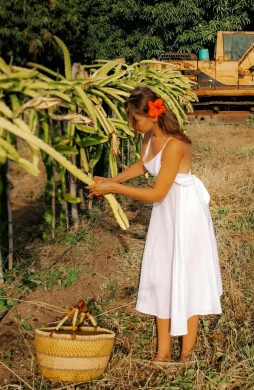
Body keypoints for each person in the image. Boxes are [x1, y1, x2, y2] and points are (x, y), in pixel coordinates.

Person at [85, 86, 223, 364]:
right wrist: (114, 180)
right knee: (161, 275)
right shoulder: (148, 137)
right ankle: (163, 351)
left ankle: (187, 353)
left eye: (134, 118)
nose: (131, 124)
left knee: (187, 277)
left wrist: (115, 189)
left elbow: (157, 193)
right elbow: (144, 165)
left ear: (152, 116)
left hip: (185, 213)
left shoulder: (175, 145)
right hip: (166, 213)